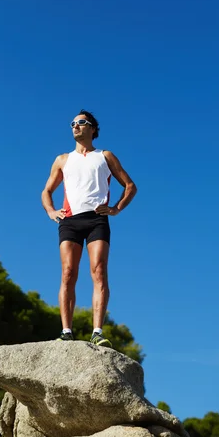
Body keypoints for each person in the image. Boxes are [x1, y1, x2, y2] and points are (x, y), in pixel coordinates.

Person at [41, 110, 137, 347]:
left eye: (81, 122)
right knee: (68, 273)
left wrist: (116, 208)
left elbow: (130, 186)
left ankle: (97, 331)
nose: (76, 126)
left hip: (97, 220)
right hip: (70, 221)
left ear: (93, 129)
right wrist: (52, 211)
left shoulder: (105, 156)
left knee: (98, 271)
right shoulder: (62, 159)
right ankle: (66, 331)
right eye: (73, 123)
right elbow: (46, 191)